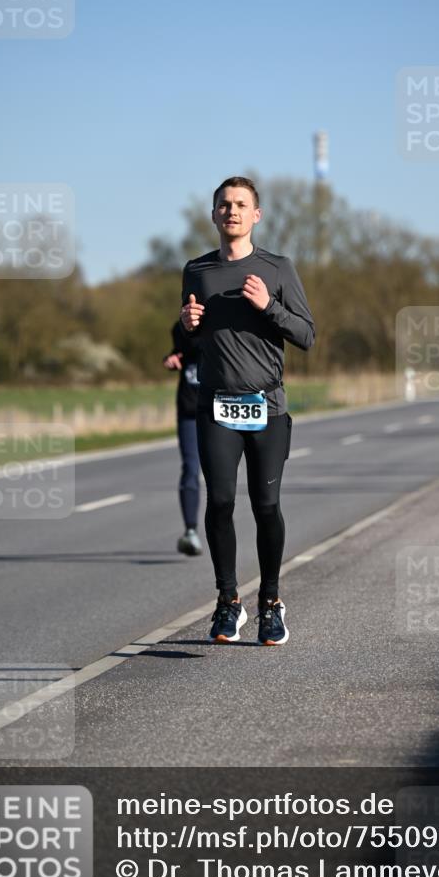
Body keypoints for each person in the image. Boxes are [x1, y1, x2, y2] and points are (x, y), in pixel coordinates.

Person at [180, 176, 315, 645]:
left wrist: (269, 306)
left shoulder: (277, 268)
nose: (231, 211)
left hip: (267, 408)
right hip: (216, 406)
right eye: (224, 204)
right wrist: (186, 325)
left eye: (241, 205)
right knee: (219, 502)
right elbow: (192, 336)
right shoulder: (196, 271)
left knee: (265, 506)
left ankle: (271, 604)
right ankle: (227, 602)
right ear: (213, 214)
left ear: (256, 215)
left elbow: (306, 335)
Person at [163, 321, 203, 555]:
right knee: (190, 468)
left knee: (221, 475)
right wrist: (171, 360)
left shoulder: (222, 320)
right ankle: (190, 531)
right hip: (189, 410)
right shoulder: (179, 327)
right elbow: (179, 352)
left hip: (219, 409)